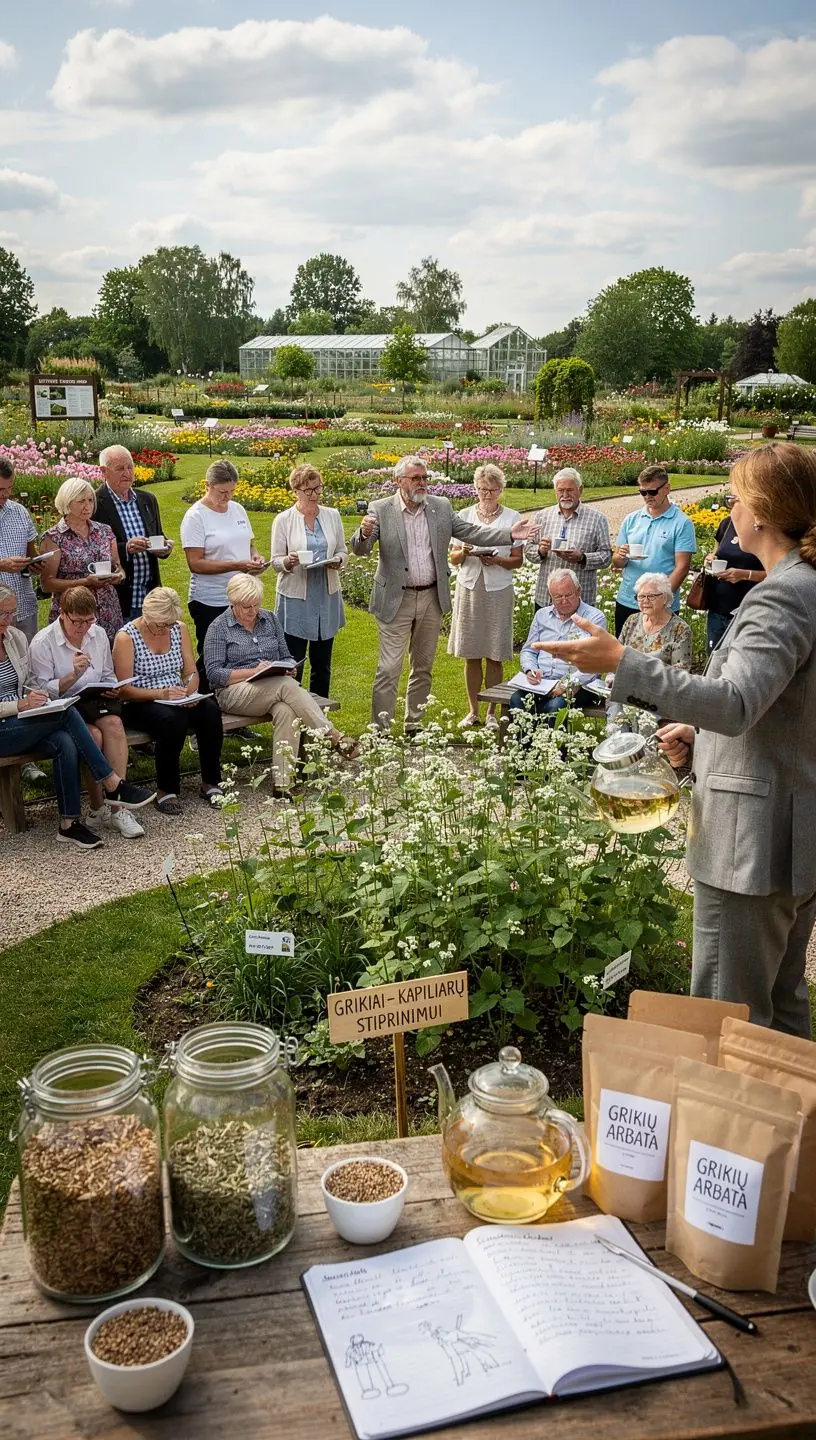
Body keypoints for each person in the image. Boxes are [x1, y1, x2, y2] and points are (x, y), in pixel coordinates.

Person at [533, 442, 816, 1039]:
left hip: (749, 847)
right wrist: (697, 729)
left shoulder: (782, 595)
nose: (728, 510)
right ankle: (790, 1131)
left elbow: (737, 705)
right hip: (791, 835)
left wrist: (622, 662)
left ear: (762, 513)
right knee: (782, 1013)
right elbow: (782, 707)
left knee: (727, 1018)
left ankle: (730, 1133)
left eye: (735, 498)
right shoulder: (804, 584)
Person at [351, 456, 536, 731]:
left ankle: (414, 724)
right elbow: (361, 550)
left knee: (423, 667)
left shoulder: (440, 507)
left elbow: (472, 532)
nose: (423, 483)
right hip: (395, 599)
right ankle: (381, 729)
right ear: (398, 481)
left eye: (425, 477)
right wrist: (363, 534)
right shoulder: (380, 509)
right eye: (416, 478)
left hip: (430, 598)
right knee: (389, 668)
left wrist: (510, 534)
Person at [0, 585, 153, 848]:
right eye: (3, 614)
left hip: (23, 721)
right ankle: (112, 783)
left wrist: (32, 697)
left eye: (12, 613)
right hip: (5, 725)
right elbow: (26, 694)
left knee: (65, 740)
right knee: (67, 712)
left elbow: (29, 684)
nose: (9, 620)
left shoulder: (14, 638)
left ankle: (69, 823)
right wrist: (20, 704)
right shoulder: (41, 641)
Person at [204, 574, 359, 797]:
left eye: (256, 605)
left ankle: (283, 784)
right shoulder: (219, 628)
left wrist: (288, 667)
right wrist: (254, 671)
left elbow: (286, 655)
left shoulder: (269, 619)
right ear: (233, 603)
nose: (252, 611)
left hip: (273, 686)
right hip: (233, 692)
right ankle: (333, 736)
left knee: (287, 710)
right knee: (286, 686)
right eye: (246, 606)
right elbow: (215, 674)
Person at [113, 587, 224, 816]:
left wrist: (190, 690)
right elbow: (123, 689)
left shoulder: (178, 629)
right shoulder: (126, 637)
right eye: (160, 624)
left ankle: (211, 782)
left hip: (176, 695)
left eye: (168, 624)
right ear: (147, 615)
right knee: (170, 721)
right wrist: (161, 694)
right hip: (141, 699)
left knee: (210, 711)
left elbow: (190, 670)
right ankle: (167, 789)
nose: (164, 628)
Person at [180, 459, 268, 690]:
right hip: (210, 598)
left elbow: (249, 544)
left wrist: (255, 557)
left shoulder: (238, 509)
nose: (227, 497)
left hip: (242, 596)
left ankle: (233, 711)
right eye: (222, 492)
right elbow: (195, 563)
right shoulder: (195, 516)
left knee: (239, 656)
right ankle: (202, 704)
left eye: (231, 491)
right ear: (207, 486)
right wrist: (237, 565)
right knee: (213, 657)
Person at [448, 464, 522, 728]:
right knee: (471, 651)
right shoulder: (464, 515)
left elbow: (517, 561)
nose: (486, 494)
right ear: (475, 488)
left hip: (498, 590)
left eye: (492, 489)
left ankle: (492, 711)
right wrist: (466, 552)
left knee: (494, 652)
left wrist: (498, 560)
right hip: (470, 588)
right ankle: (472, 710)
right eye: (481, 489)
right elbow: (454, 558)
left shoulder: (513, 518)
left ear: (501, 490)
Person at [271, 464, 346, 697]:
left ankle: (320, 720)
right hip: (296, 598)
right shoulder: (283, 520)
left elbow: (343, 550)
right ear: (295, 491)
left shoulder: (332, 515)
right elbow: (275, 561)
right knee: (294, 664)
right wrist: (288, 561)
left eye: (318, 489)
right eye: (308, 491)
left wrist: (338, 561)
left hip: (326, 595)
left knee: (322, 665)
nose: (314, 495)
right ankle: (293, 716)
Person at [610, 466, 696, 636]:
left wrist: (661, 598)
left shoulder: (681, 522)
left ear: (667, 488)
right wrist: (620, 556)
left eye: (652, 492)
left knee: (657, 657)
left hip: (661, 604)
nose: (647, 497)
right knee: (623, 655)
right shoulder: (631, 519)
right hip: (629, 599)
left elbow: (683, 567)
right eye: (643, 492)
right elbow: (617, 562)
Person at [511, 569, 607, 719]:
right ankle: (522, 742)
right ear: (550, 597)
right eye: (558, 597)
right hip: (542, 682)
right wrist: (530, 670)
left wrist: (566, 684)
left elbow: (594, 663)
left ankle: (551, 742)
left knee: (555, 707)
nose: (564, 601)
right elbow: (529, 650)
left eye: (568, 595)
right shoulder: (542, 615)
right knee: (517, 699)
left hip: (579, 685)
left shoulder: (594, 618)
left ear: (579, 591)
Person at [93, 445, 174, 622]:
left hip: (150, 596)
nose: (127, 473)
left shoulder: (147, 499)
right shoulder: (94, 504)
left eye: (130, 467)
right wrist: (126, 549)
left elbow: (158, 535)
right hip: (118, 598)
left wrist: (165, 547)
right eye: (120, 468)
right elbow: (91, 551)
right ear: (104, 472)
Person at [39, 478, 125, 644]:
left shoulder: (104, 531)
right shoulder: (54, 537)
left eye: (90, 500)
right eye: (81, 501)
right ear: (67, 503)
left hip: (108, 609)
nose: (88, 506)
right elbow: (47, 584)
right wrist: (85, 582)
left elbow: (118, 567)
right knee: (74, 661)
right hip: (74, 613)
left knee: (107, 661)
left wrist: (118, 576)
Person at [525, 467, 611, 606]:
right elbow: (529, 549)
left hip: (581, 601)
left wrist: (582, 558)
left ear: (580, 490)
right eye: (561, 490)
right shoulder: (542, 516)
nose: (565, 494)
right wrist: (541, 551)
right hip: (547, 598)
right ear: (555, 491)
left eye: (570, 490)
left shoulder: (597, 519)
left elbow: (606, 556)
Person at [704, 495, 766, 651]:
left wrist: (745, 575)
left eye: (735, 500)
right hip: (718, 606)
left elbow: (777, 572)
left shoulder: (763, 529)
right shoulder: (726, 524)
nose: (730, 504)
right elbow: (716, 552)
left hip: (747, 609)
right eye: (729, 500)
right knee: (713, 657)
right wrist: (710, 559)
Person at [0, 458, 41, 643]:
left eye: (10, 488)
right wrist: (1, 565)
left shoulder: (20, 512)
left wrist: (35, 563)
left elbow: (31, 552)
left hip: (24, 607)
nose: (7, 494)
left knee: (29, 666)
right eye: (1, 489)